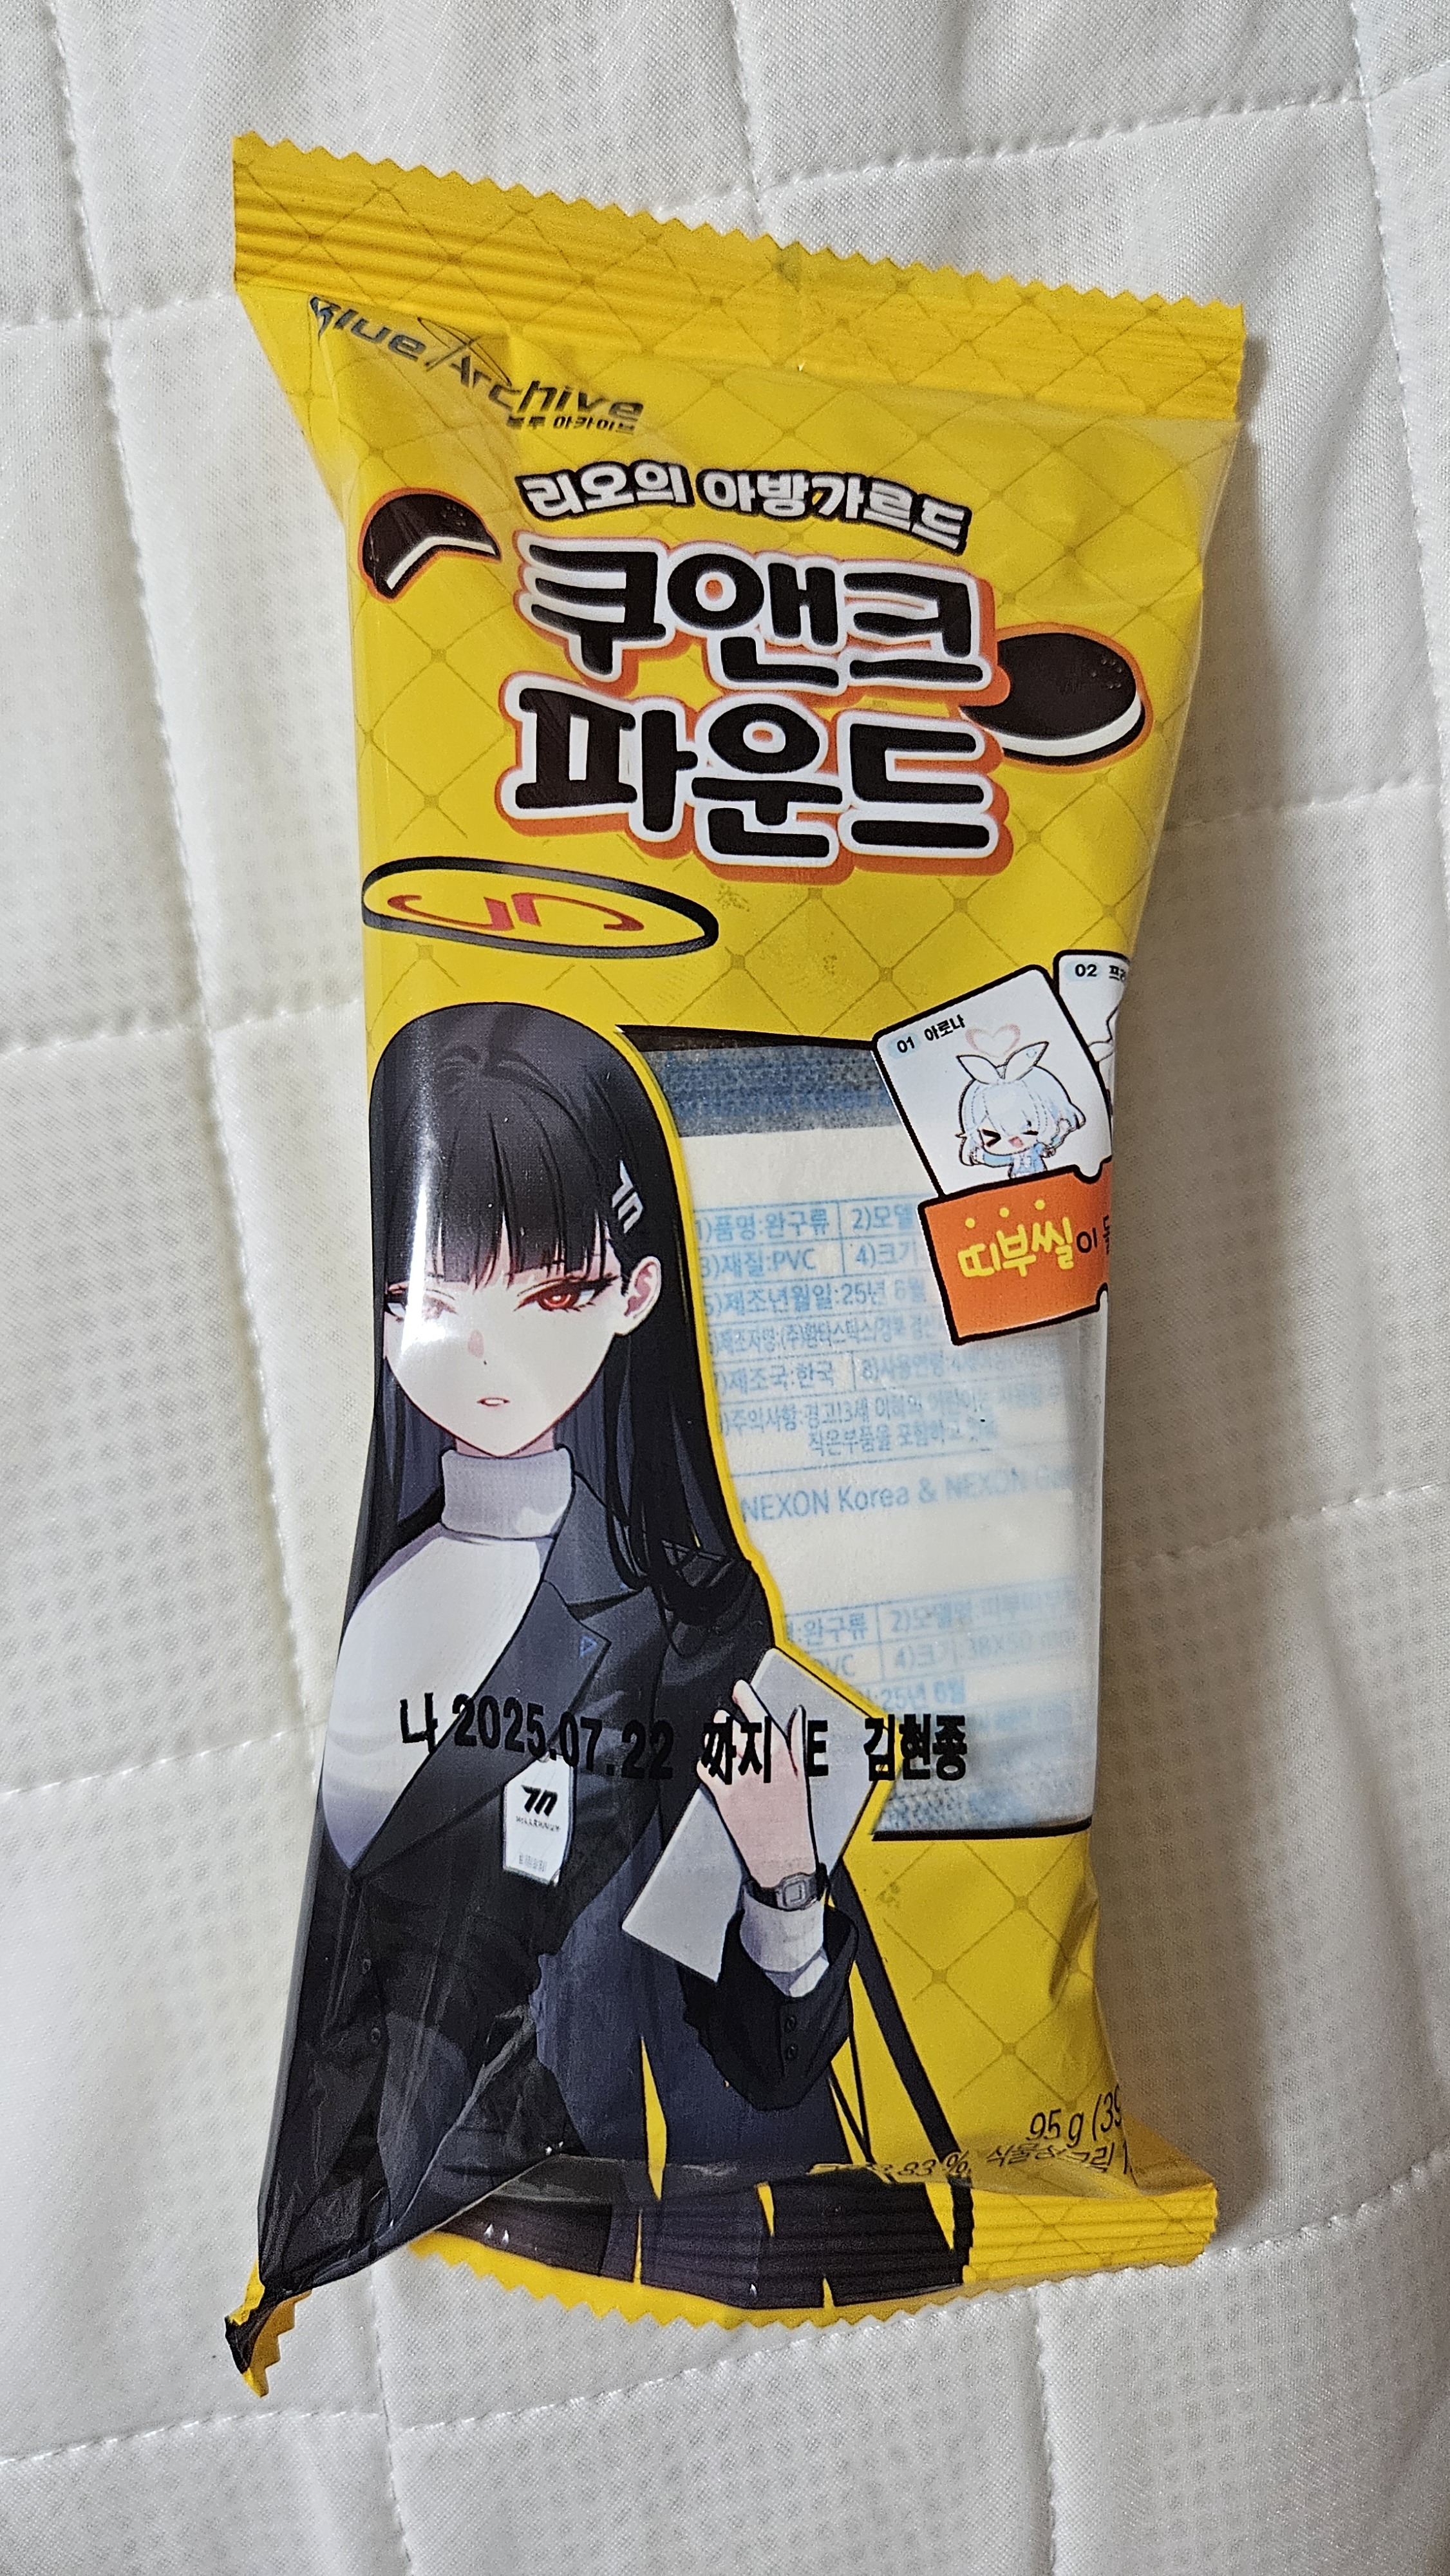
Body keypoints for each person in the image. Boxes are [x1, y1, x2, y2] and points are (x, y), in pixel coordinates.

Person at [230, 1003, 963, 2375]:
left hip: (567, 2186)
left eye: (547, 1294)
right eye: (432, 1297)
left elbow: (763, 2061)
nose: (482, 1350)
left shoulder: (675, 1628)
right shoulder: (376, 1561)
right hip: (410, 2163)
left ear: (633, 1293)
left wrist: (781, 1875)